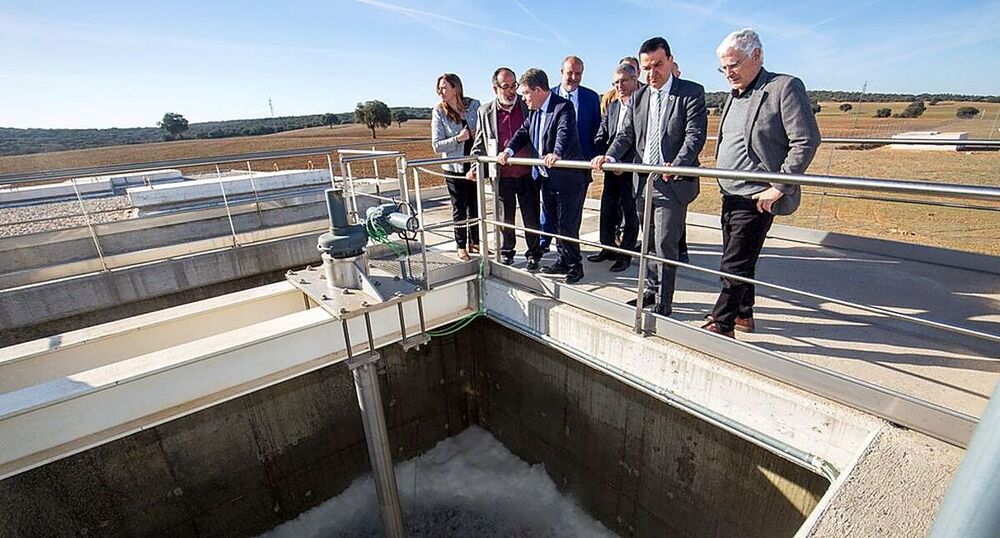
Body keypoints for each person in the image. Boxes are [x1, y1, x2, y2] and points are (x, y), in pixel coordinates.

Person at [701, 29, 820, 337]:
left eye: (734, 65)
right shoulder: (734, 94)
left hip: (758, 195)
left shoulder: (784, 87)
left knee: (734, 263)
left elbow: (806, 140)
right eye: (723, 68)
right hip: (730, 192)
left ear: (756, 55)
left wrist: (780, 185)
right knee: (741, 257)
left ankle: (722, 322)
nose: (728, 73)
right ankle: (744, 314)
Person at [592, 37, 707, 316]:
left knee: (666, 242)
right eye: (646, 67)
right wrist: (610, 155)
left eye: (657, 65)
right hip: (643, 182)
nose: (652, 72)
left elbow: (695, 136)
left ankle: (664, 301)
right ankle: (651, 292)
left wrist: (675, 165)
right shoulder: (640, 96)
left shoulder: (690, 92)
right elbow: (626, 134)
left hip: (672, 182)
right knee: (651, 241)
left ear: (670, 60)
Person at [498, 68, 590, 284]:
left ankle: (575, 266)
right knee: (555, 223)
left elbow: (564, 134)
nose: (523, 98)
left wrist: (556, 153)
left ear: (538, 90)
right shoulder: (535, 111)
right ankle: (563, 260)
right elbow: (522, 133)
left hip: (569, 179)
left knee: (568, 224)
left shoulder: (562, 107)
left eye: (525, 93)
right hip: (547, 179)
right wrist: (508, 152)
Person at [469, 67, 543, 270]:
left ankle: (534, 253)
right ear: (495, 89)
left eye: (514, 86)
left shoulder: (528, 105)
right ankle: (507, 252)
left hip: (529, 173)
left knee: (531, 217)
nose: (512, 91)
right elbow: (479, 144)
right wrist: (476, 165)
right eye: (506, 87)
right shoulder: (485, 112)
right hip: (502, 176)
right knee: (504, 218)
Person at [538, 56, 601, 252]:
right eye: (569, 73)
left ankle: (568, 253)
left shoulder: (591, 98)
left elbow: (597, 131)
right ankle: (545, 243)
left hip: (579, 168)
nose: (573, 77)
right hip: (552, 166)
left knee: (571, 216)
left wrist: (594, 157)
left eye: (578, 73)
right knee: (549, 211)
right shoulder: (549, 96)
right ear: (561, 72)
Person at [591, 62, 640, 273]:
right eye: (616, 82)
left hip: (631, 167)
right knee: (607, 208)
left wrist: (620, 162)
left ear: (634, 79)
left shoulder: (641, 104)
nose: (619, 85)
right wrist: (604, 156)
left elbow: (635, 138)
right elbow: (602, 134)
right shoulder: (612, 107)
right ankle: (607, 248)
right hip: (611, 167)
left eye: (623, 81)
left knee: (631, 212)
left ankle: (625, 255)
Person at [431, 73, 481, 261]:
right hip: (454, 168)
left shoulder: (474, 105)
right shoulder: (439, 112)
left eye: (444, 87)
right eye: (439, 88)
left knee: (474, 205)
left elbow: (484, 129)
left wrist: (477, 135)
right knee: (459, 207)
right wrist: (458, 139)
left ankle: (475, 242)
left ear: (456, 88)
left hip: (474, 165)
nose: (440, 92)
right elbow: (436, 145)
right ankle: (461, 246)